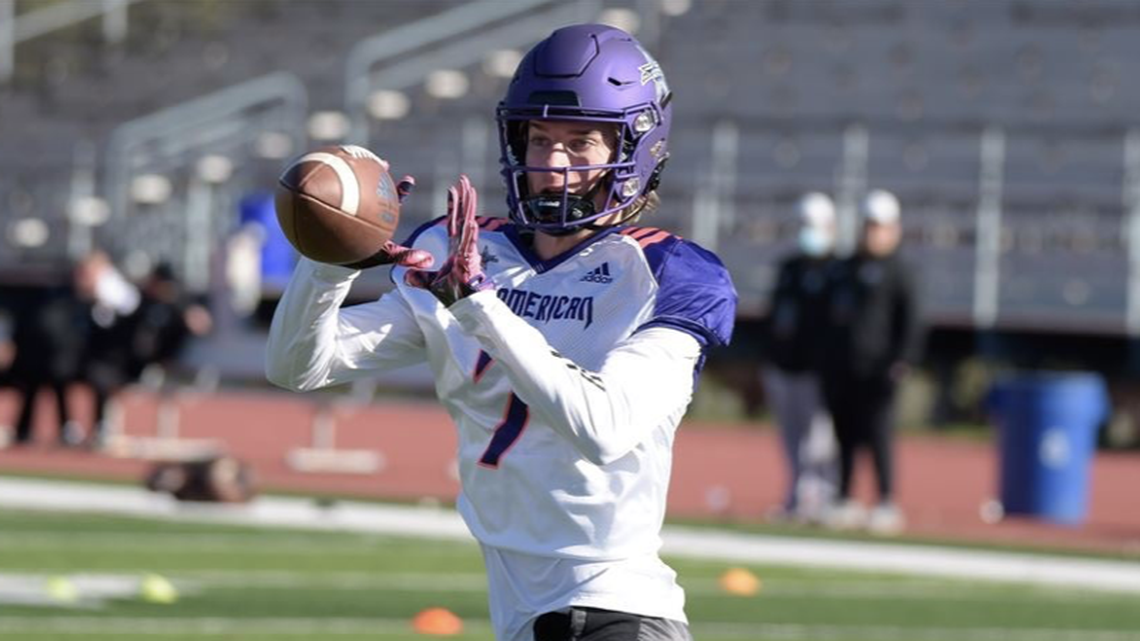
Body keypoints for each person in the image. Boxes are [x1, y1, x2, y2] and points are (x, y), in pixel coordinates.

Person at [267, 24, 736, 641]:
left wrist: (480, 307)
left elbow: (606, 427)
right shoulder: (463, 249)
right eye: (539, 138)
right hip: (521, 609)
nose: (552, 162)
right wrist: (330, 256)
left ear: (636, 147)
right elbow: (299, 366)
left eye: (581, 142)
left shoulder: (667, 271)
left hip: (611, 606)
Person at [819, 189, 922, 535]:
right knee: (844, 436)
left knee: (878, 436)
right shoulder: (846, 268)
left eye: (880, 227)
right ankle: (845, 498)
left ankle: (886, 501)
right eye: (869, 226)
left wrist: (902, 361)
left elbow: (911, 321)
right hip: (844, 367)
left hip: (880, 370)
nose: (873, 233)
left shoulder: (901, 272)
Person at [759, 192, 838, 523]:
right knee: (791, 438)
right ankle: (796, 496)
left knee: (819, 441)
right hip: (784, 365)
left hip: (816, 369)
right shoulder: (789, 268)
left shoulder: (837, 271)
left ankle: (823, 497)